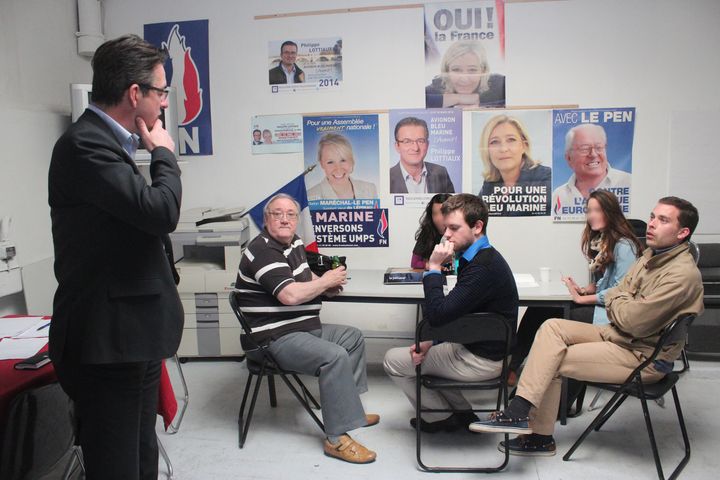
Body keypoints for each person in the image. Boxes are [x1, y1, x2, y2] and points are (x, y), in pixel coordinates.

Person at [470, 197, 704, 458]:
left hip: (642, 355)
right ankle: (519, 412)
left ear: (683, 232)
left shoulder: (680, 275)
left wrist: (621, 299)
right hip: (622, 336)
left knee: (552, 359)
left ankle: (538, 435)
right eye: (652, 216)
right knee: (551, 327)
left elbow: (632, 319)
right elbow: (620, 291)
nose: (651, 224)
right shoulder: (651, 256)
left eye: (663, 220)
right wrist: (624, 299)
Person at [48, 34, 183, 480]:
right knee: (117, 465)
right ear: (134, 93)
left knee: (142, 456)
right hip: (107, 342)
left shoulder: (113, 145)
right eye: (161, 91)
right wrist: (163, 152)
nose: (164, 102)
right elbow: (159, 212)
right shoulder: (85, 145)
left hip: (132, 337)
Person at [235, 194, 378, 464]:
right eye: (277, 214)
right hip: (274, 338)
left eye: (290, 214)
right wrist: (324, 282)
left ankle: (349, 409)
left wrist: (328, 286)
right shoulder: (263, 250)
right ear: (266, 219)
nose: (285, 219)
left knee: (353, 338)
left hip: (301, 328)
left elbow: (304, 277)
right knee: (333, 355)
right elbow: (289, 295)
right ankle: (336, 438)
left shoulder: (295, 242)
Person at [384, 194, 519, 433]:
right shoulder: (478, 256)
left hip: (483, 360)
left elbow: (437, 316)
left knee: (393, 361)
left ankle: (441, 417)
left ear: (478, 226)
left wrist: (433, 268)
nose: (446, 234)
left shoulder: (482, 267)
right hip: (481, 349)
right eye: (446, 227)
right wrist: (433, 341)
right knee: (432, 353)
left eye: (454, 228)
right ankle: (460, 413)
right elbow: (459, 315)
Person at [508, 190, 642, 384]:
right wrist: (586, 289)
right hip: (604, 307)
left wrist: (582, 299)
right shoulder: (606, 241)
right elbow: (609, 281)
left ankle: (520, 370)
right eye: (589, 210)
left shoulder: (624, 246)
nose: (591, 216)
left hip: (611, 317)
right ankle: (514, 367)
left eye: (598, 210)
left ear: (611, 212)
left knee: (544, 315)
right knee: (538, 310)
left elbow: (621, 292)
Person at [479, 115, 552, 215]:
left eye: (511, 140)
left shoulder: (546, 178)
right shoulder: (488, 186)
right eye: (494, 142)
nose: (503, 149)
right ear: (487, 150)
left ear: (524, 146)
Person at [553, 123, 631, 208]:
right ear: (569, 158)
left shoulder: (629, 182)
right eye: (584, 149)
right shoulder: (558, 195)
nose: (593, 154)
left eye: (599, 147)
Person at [425, 40, 505, 109]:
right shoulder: (437, 87)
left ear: (483, 71)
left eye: (472, 70)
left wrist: (480, 102)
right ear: (447, 70)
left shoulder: (498, 84)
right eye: (456, 70)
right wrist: (458, 98)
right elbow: (420, 99)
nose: (464, 79)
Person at [389, 117, 455, 194]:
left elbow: (450, 205)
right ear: (397, 146)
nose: (415, 148)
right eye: (407, 141)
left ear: (427, 145)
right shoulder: (387, 177)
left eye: (421, 141)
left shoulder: (441, 172)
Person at [307, 132, 378, 200]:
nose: (338, 169)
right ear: (322, 164)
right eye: (330, 162)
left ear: (351, 161)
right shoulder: (310, 196)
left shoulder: (370, 190)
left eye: (343, 160)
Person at [411, 193, 452, 270]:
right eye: (435, 214)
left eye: (443, 213)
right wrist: (432, 266)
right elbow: (415, 263)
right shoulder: (427, 232)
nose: (438, 218)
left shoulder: (460, 232)